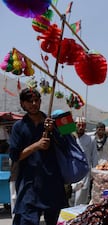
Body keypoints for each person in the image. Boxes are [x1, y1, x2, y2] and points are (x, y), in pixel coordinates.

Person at [8, 88, 67, 225]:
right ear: (23, 104)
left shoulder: (52, 123)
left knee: (56, 221)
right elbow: (15, 156)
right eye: (29, 101)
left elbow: (67, 146)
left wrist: (54, 131)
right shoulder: (18, 127)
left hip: (52, 182)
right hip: (29, 184)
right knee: (25, 220)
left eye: (36, 100)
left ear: (40, 102)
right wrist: (37, 145)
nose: (34, 104)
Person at [70, 117, 97, 206]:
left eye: (83, 125)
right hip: (71, 169)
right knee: (70, 196)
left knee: (81, 196)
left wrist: (94, 172)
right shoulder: (70, 137)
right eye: (79, 125)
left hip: (85, 172)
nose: (81, 127)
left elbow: (94, 156)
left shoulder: (91, 139)